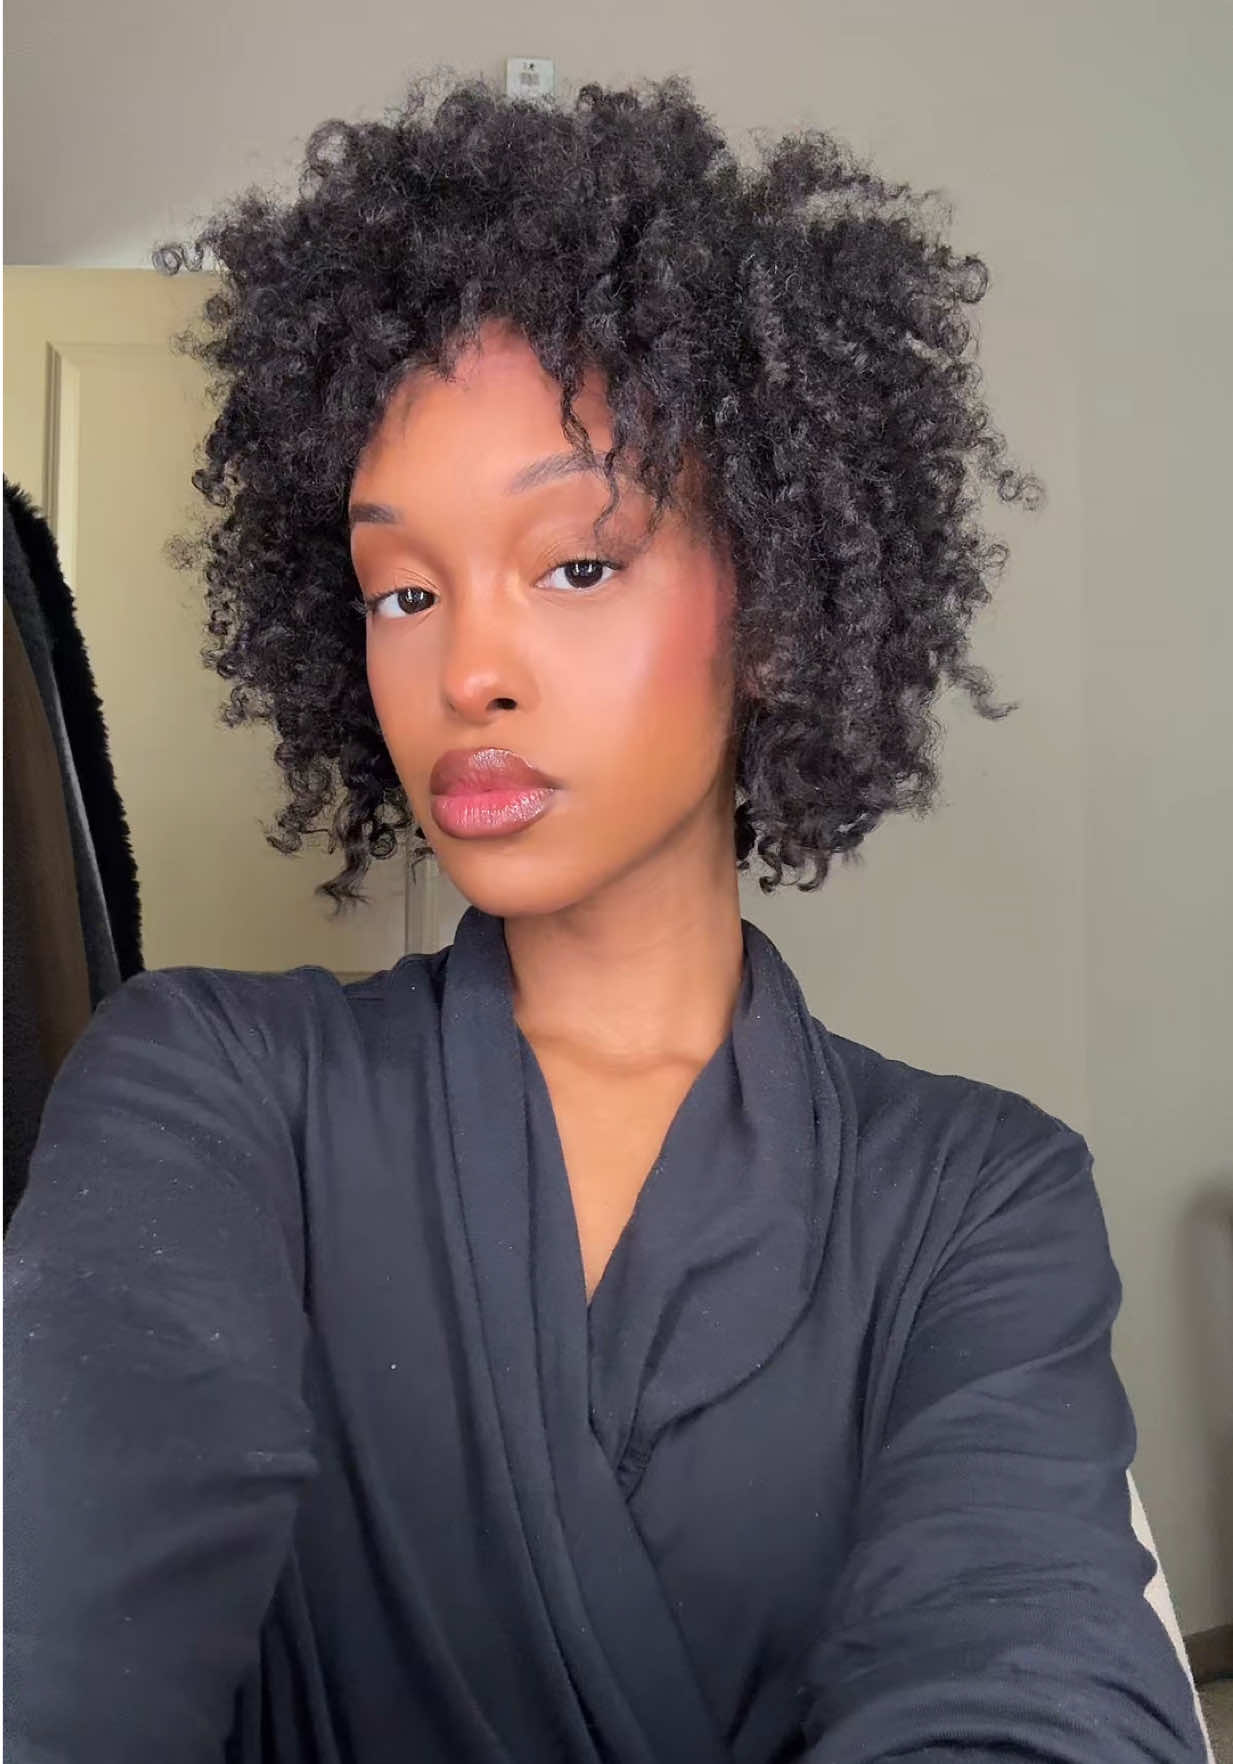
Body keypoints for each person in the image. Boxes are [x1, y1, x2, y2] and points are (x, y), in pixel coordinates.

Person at [3, 68, 1208, 1764]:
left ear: (774, 608)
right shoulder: (208, 1085)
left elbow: (1027, 1669)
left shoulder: (974, 1196)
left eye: (575, 565)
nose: (466, 671)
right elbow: (57, 1628)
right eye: (400, 591)